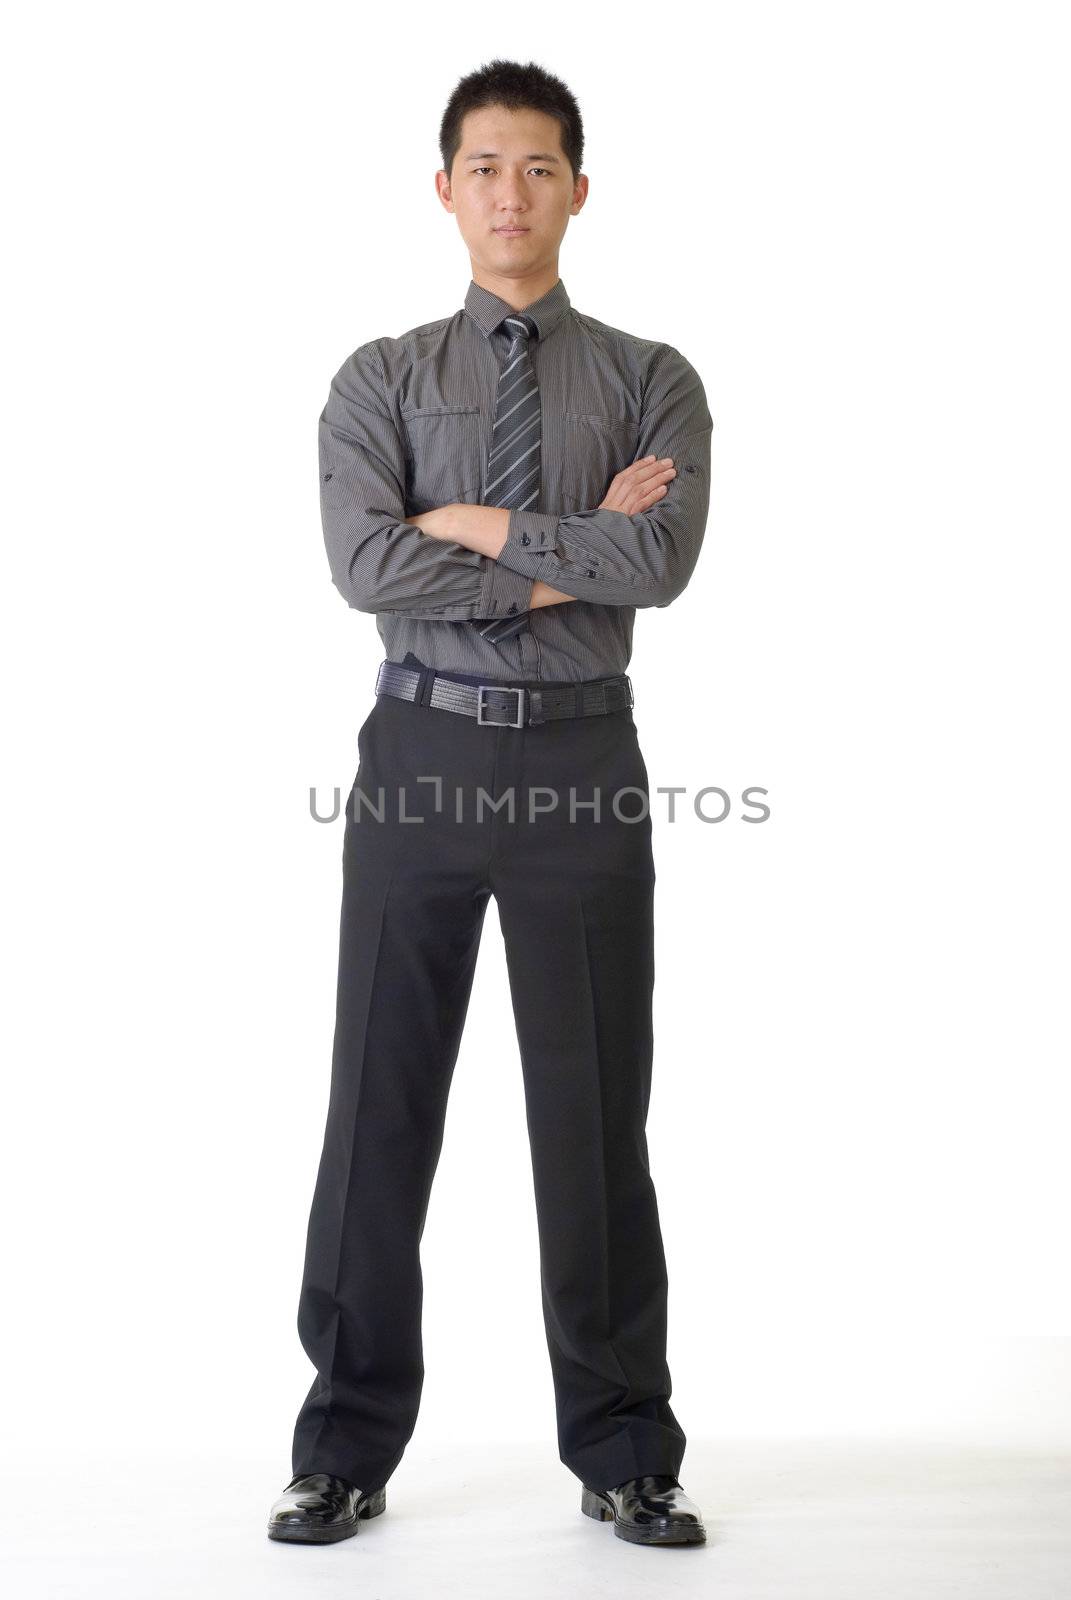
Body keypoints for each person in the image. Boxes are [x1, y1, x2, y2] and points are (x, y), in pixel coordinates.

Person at [268, 58, 712, 1550]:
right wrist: (564, 548)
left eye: (537, 167)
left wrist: (464, 523)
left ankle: (624, 1447)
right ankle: (341, 1444)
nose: (510, 193)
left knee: (594, 1119)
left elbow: (656, 567)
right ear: (444, 188)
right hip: (421, 758)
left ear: (579, 188)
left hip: (586, 763)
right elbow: (363, 569)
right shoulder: (378, 378)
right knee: (377, 1107)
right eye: (483, 167)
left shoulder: (652, 380)